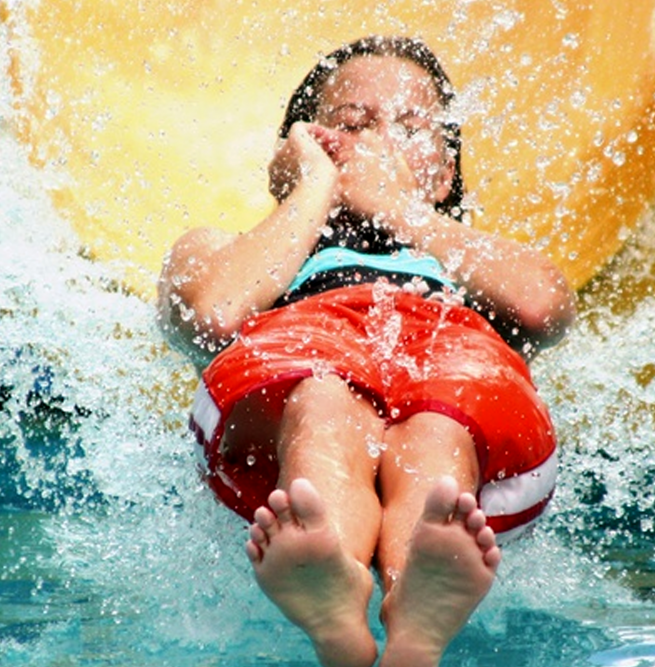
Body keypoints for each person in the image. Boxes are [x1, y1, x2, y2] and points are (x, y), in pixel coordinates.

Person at [159, 36, 575, 667]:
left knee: (438, 426)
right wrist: (312, 190)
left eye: (412, 129)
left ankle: (416, 611)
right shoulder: (224, 244)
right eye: (352, 125)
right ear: (299, 152)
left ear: (441, 171)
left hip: (449, 350)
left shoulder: (471, 260)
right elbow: (213, 313)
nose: (380, 143)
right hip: (299, 360)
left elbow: (543, 306)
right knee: (324, 399)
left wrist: (401, 208)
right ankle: (338, 584)